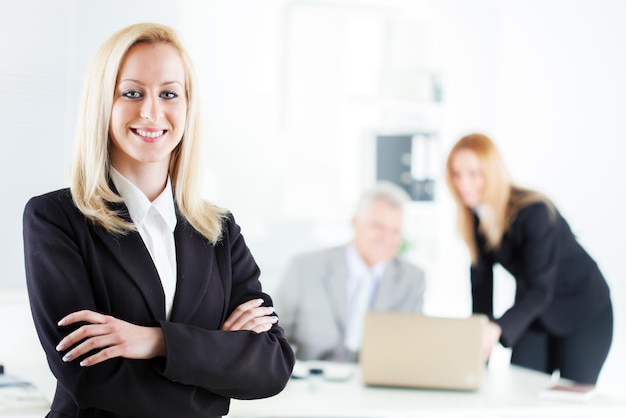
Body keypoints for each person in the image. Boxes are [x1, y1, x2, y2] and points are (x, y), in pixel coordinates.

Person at [22, 23, 294, 418]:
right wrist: (216, 362)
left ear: (188, 106)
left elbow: (272, 366)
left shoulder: (218, 229)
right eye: (132, 93)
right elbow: (91, 379)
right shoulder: (57, 218)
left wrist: (154, 342)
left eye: (169, 94)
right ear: (103, 103)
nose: (151, 111)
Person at [445, 133, 613, 386]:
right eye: (456, 174)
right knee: (521, 391)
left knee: (570, 399)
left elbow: (542, 287)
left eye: (473, 173)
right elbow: (481, 294)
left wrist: (497, 329)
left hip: (583, 309)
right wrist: (477, 348)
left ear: (492, 172)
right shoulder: (475, 223)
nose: (463, 183)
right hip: (536, 313)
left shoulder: (534, 211)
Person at [274, 181, 426, 362]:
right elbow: (273, 336)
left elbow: (413, 345)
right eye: (378, 227)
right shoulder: (304, 268)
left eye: (395, 231)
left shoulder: (412, 279)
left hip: (379, 383)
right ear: (355, 223)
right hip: (314, 381)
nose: (387, 239)